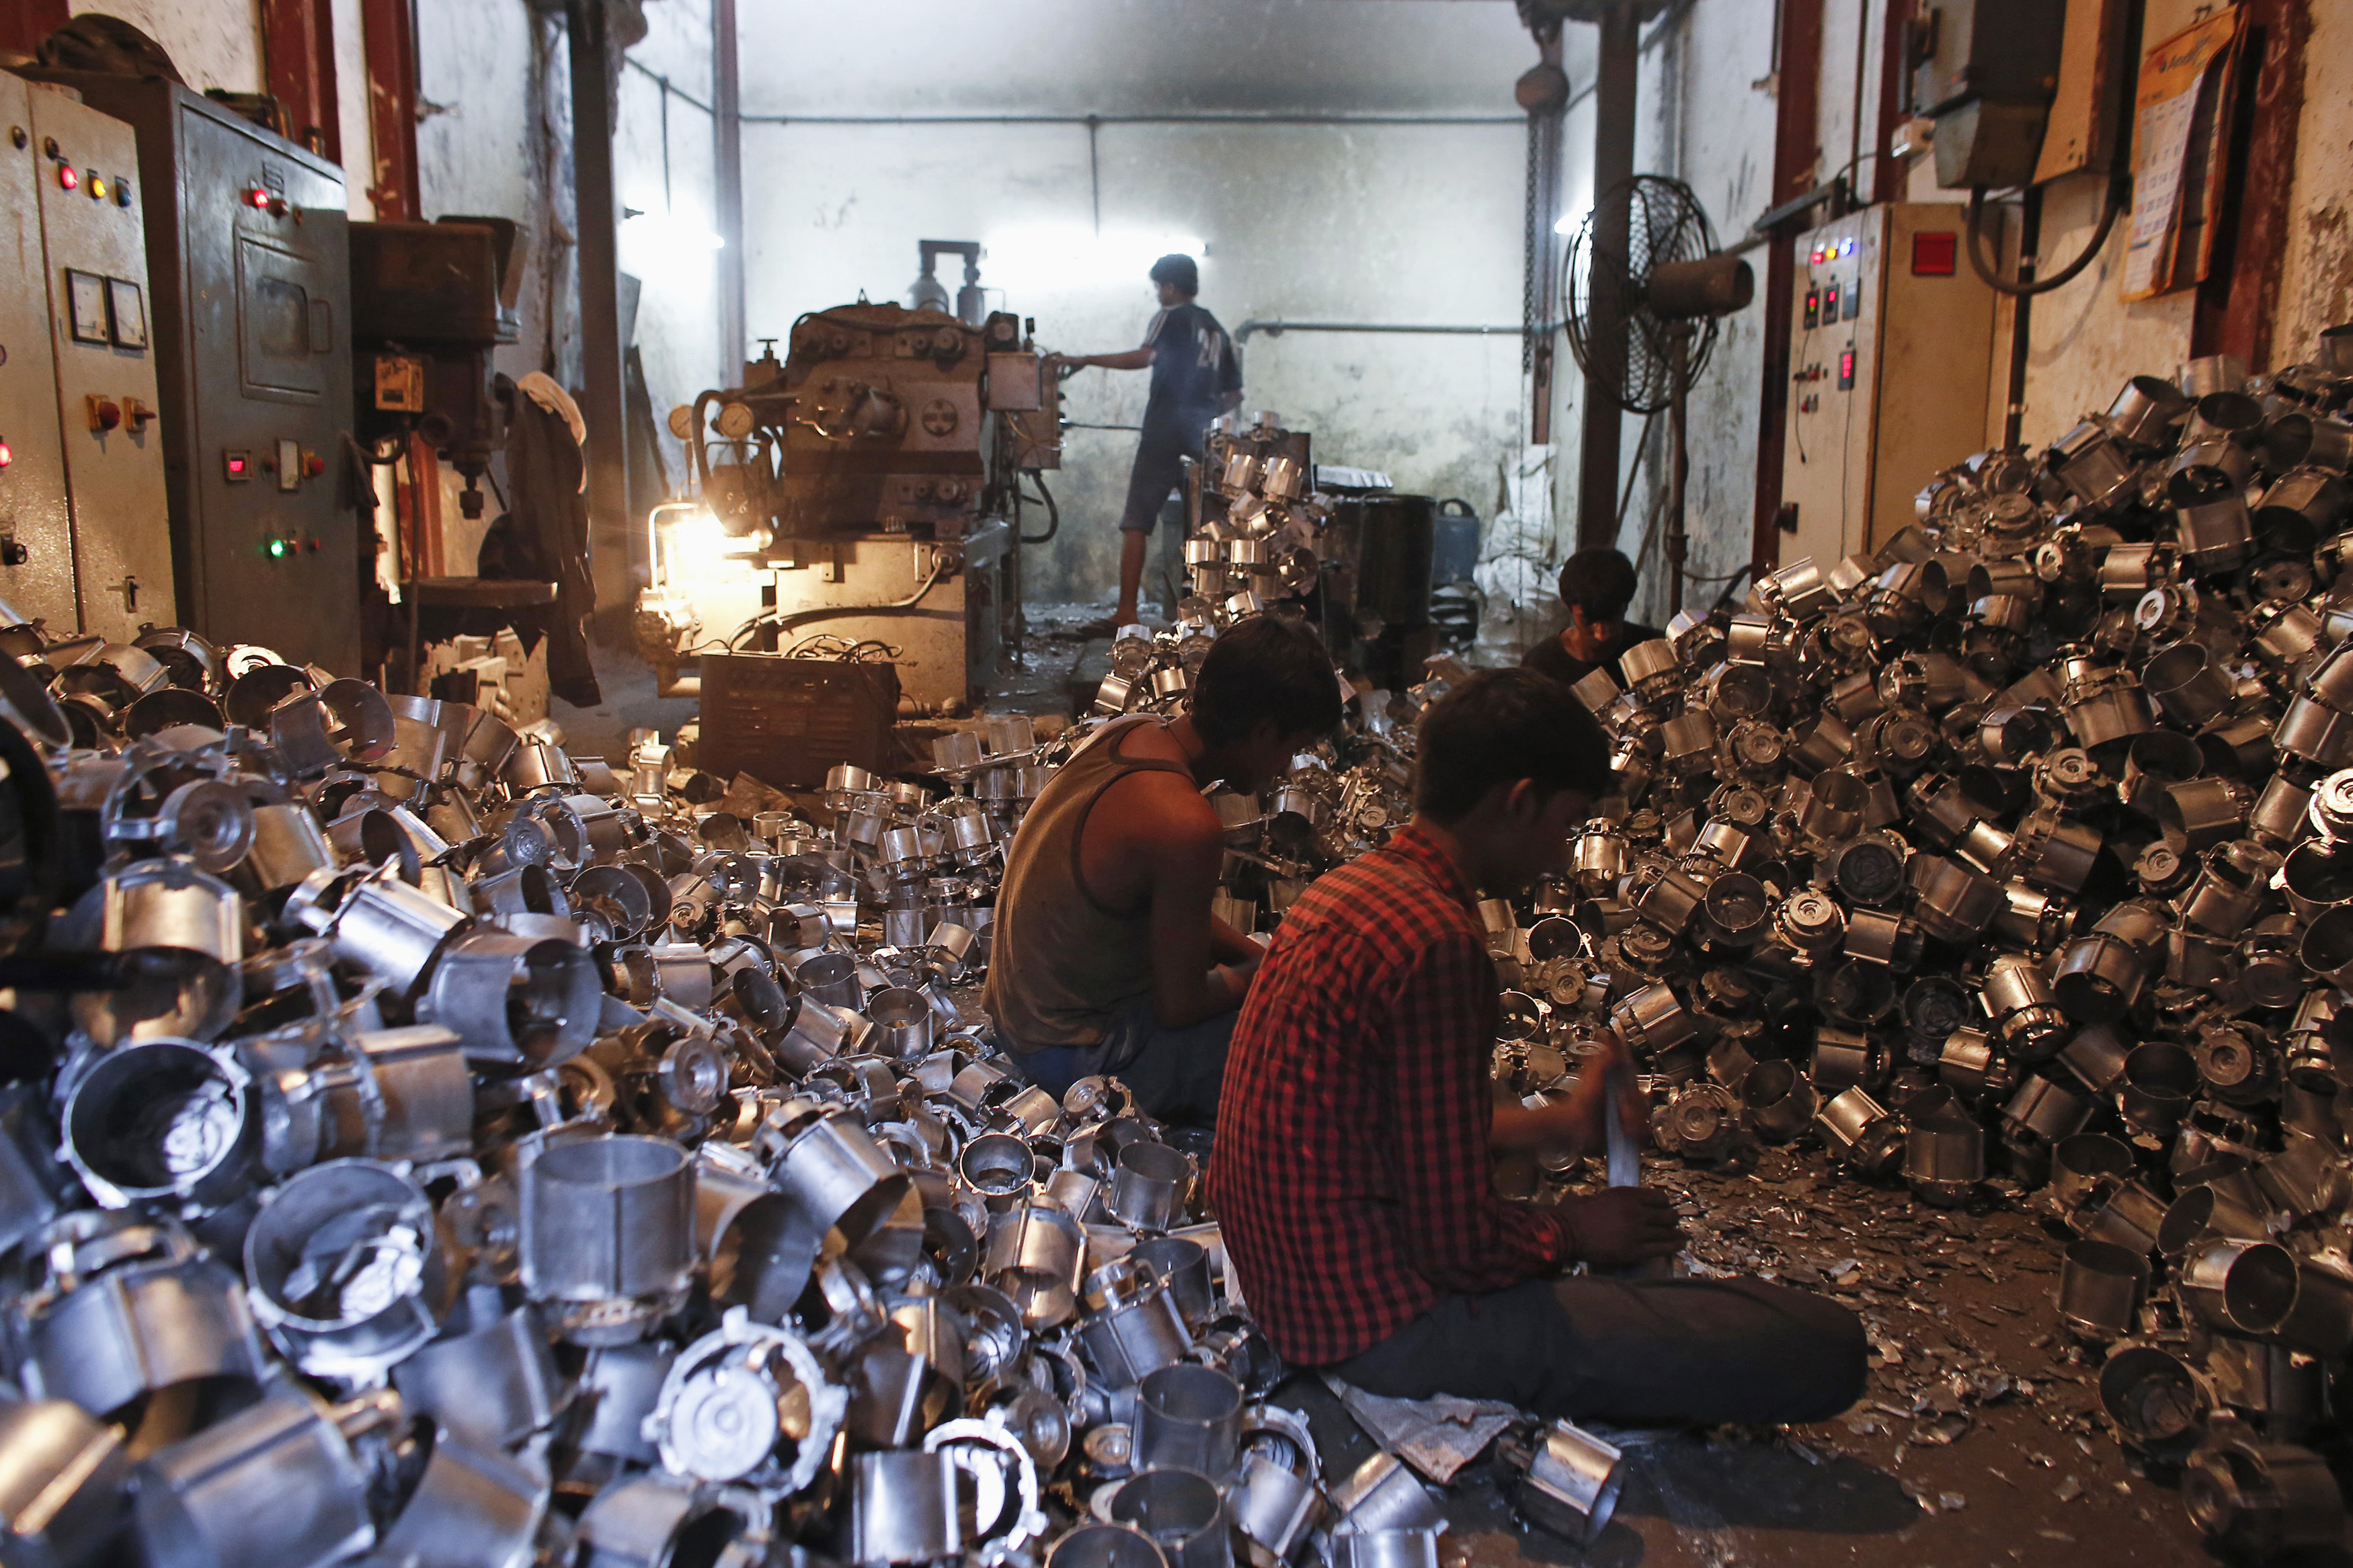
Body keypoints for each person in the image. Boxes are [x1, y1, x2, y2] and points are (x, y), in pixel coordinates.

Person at [1209, 668, 1867, 1427]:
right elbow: (1455, 1249)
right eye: (1564, 823)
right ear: (1518, 801)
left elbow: (1394, 1122)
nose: (1561, 855)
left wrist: (1561, 1120)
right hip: (1375, 1326)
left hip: (1286, 1283)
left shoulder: (1346, 889)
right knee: (1818, 1343)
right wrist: (1574, 1230)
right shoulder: (1437, 944)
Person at [985, 616, 1341, 1126]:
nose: (1285, 767)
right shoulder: (1185, 825)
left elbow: (1178, 914)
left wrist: (1263, 955)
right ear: (1263, 731)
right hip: (1070, 1055)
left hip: (1018, 1016)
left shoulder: (1132, 732)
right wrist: (1268, 977)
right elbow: (1182, 1005)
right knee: (1300, 1038)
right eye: (1292, 747)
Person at [1054, 253, 1243, 632]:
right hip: (1202, 437)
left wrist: (1084, 359)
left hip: (1164, 434)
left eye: (1159, 287)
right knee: (1208, 525)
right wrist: (1204, 411)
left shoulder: (1171, 317)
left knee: (1136, 521)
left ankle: (1127, 612)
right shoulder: (1216, 328)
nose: (1158, 295)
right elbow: (1234, 394)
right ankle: (1214, 617)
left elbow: (1144, 357)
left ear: (1170, 287)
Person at [1523, 547, 1665, 690]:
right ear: (1567, 604)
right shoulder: (1540, 669)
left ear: (1626, 606)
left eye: (1612, 620)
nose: (1601, 635)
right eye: (1588, 621)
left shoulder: (1657, 651)